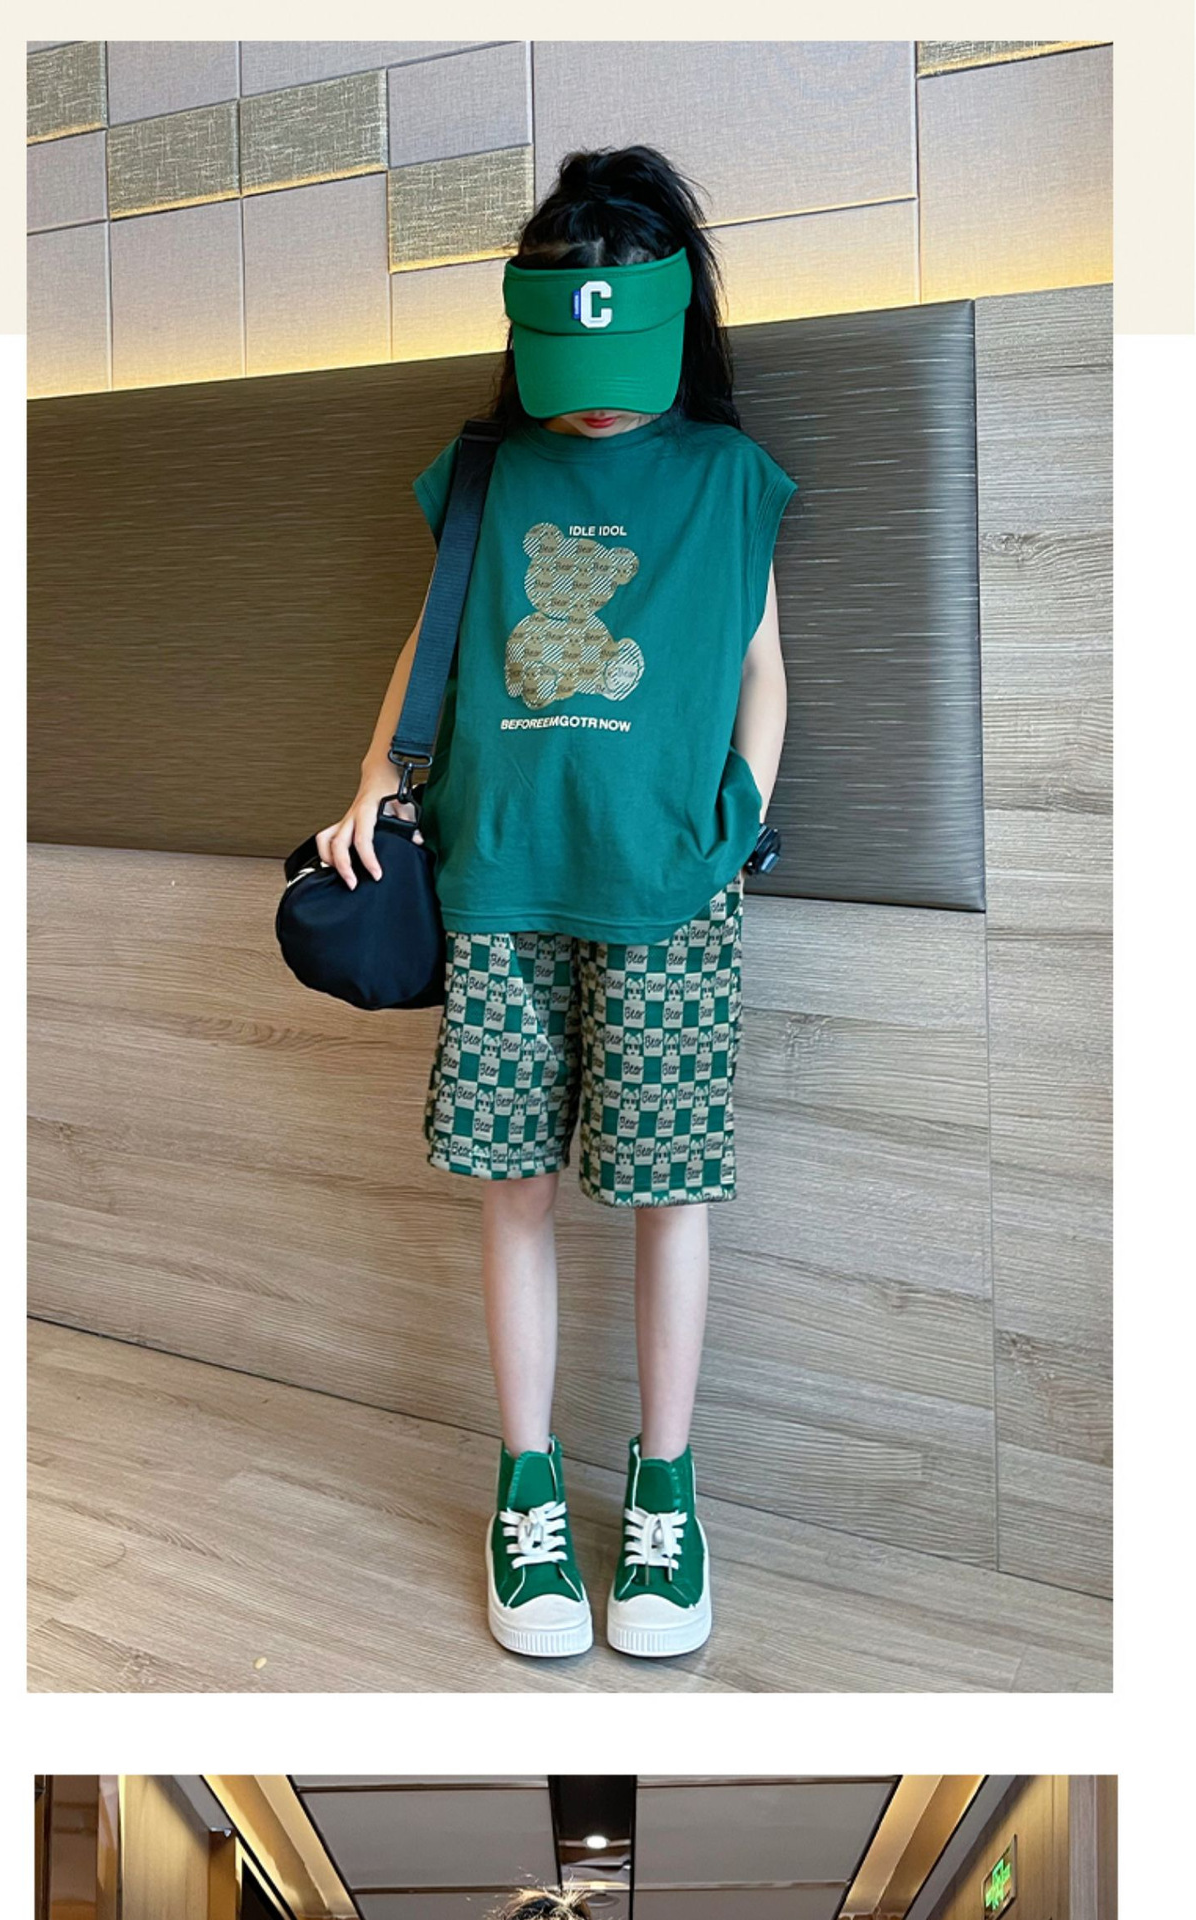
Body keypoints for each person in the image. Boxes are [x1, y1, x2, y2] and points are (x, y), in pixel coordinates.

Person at [318, 143, 797, 1662]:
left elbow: (763, 666)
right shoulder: (485, 471)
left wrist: (738, 821)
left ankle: (668, 1490)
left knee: (667, 1194)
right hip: (498, 880)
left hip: (669, 891)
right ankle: (526, 1482)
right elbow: (429, 647)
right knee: (511, 1187)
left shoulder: (728, 478)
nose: (592, 400)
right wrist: (372, 785)